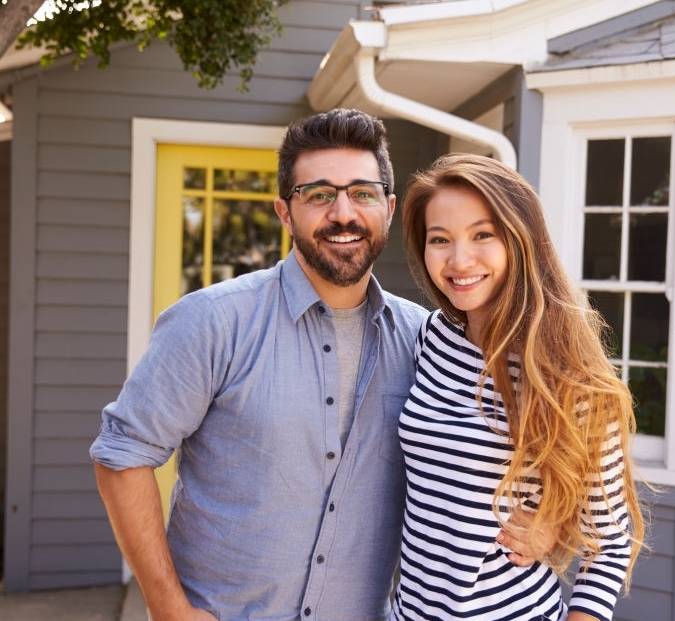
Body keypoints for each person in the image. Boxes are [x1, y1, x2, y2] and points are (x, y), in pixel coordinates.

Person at [88, 110, 538, 621]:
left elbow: (492, 462)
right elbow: (122, 456)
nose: (343, 213)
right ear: (285, 212)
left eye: (362, 193)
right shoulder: (212, 322)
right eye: (319, 194)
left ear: (387, 209)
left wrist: (549, 524)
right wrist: (168, 607)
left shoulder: (427, 341)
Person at [394, 154, 646, 621]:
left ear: (520, 239)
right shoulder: (430, 338)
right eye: (439, 240)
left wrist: (560, 522)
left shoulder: (568, 376)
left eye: (482, 235)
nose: (458, 260)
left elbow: (608, 543)